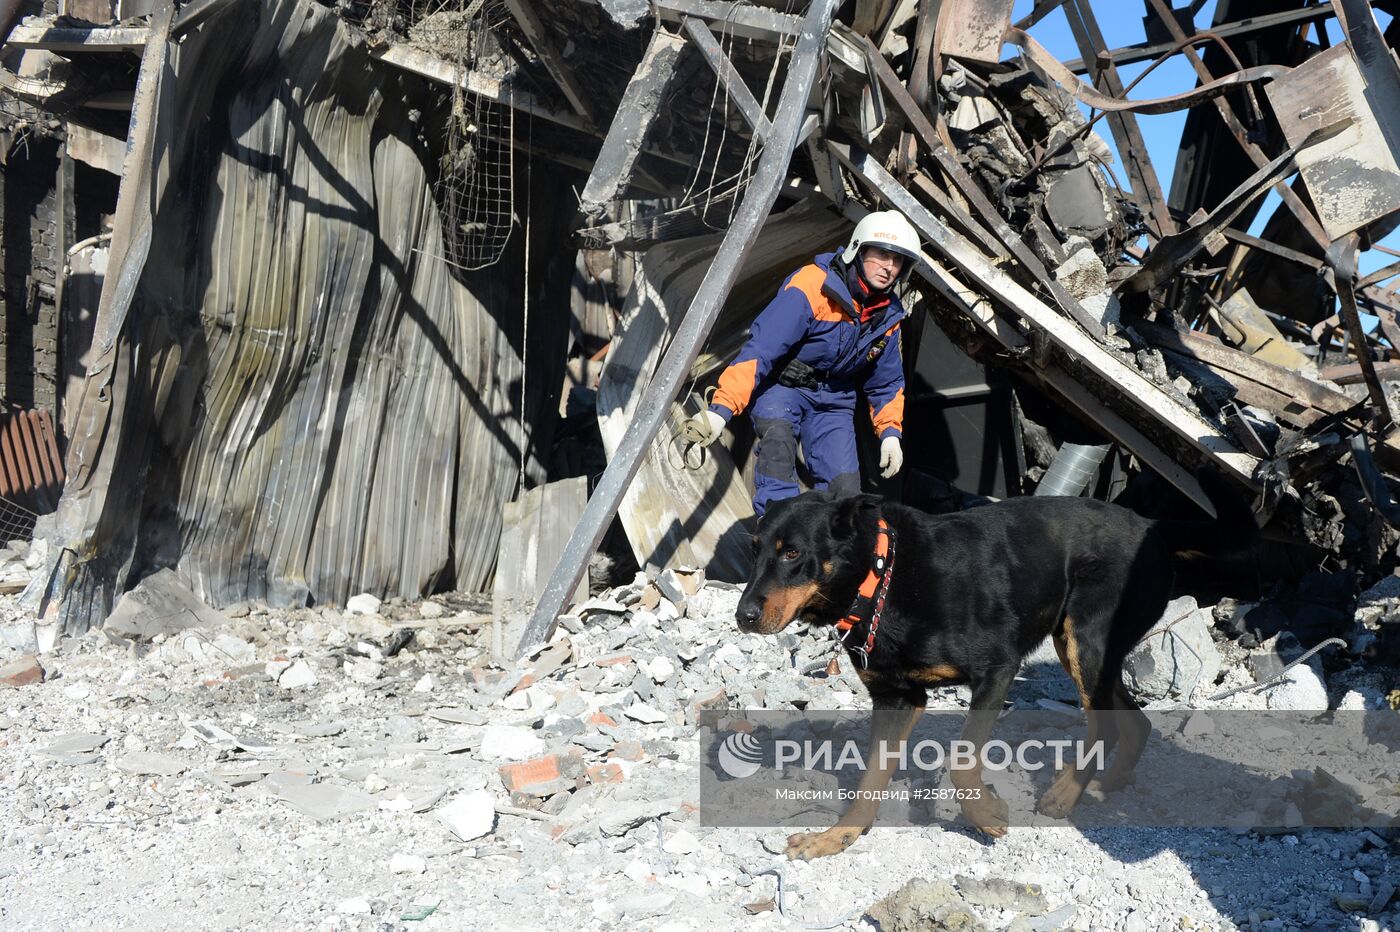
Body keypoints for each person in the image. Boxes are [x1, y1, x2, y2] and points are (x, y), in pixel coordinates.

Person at [682, 210, 921, 516]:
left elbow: (886, 383)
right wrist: (721, 410)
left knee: (845, 495)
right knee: (777, 456)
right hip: (784, 388)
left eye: (897, 260)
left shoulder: (889, 317)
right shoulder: (811, 285)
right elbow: (761, 349)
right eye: (882, 254)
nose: (888, 267)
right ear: (858, 249)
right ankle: (778, 543)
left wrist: (890, 434)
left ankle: (831, 559)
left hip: (835, 399)